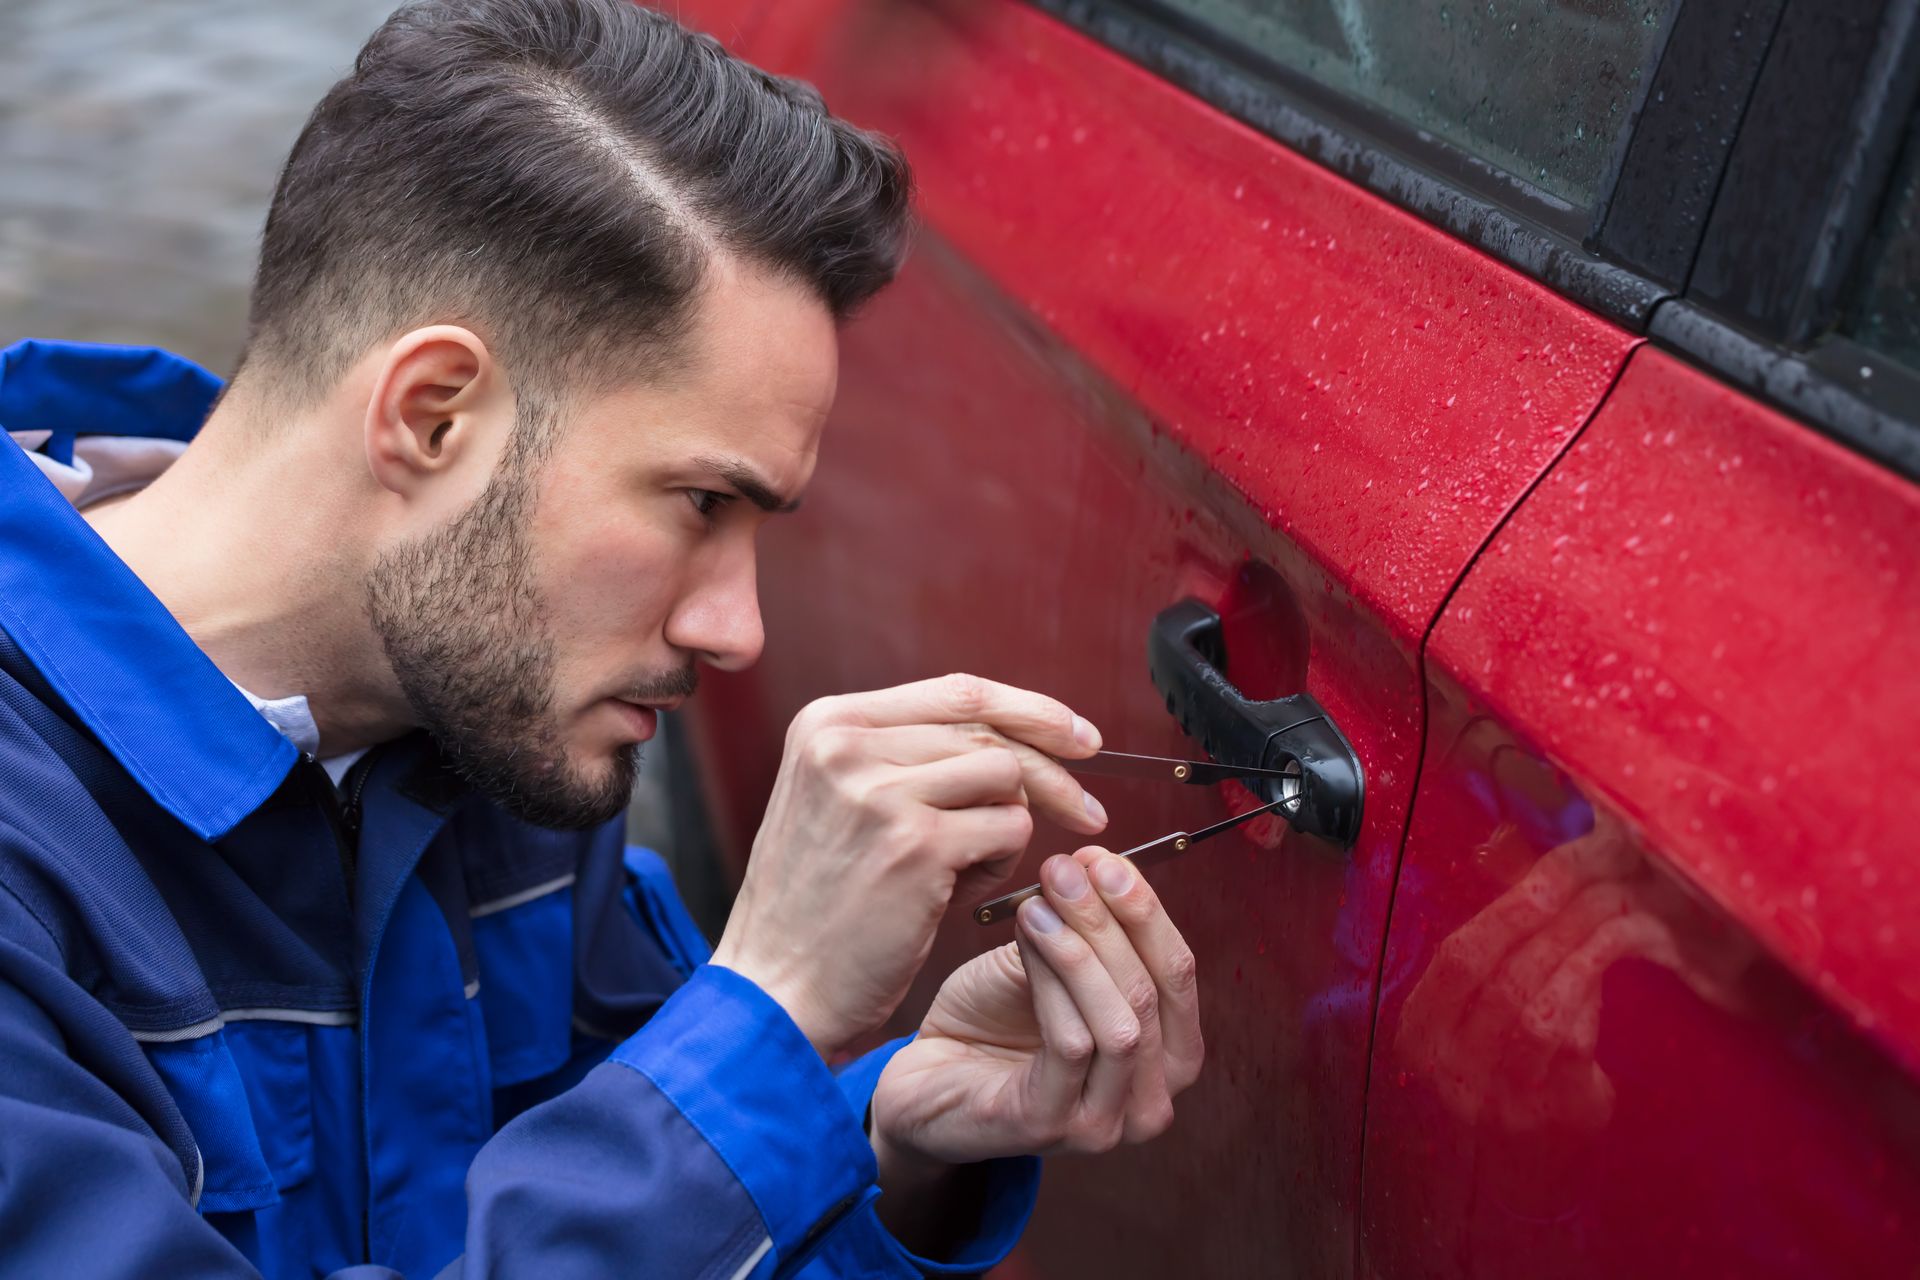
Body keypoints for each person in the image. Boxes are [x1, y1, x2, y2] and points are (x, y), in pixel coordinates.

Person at [0, 1, 1204, 1276]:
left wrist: (887, 1151)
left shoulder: (489, 721)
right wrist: (771, 1008)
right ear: (433, 415)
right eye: (699, 502)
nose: (734, 631)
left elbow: (656, 1191)